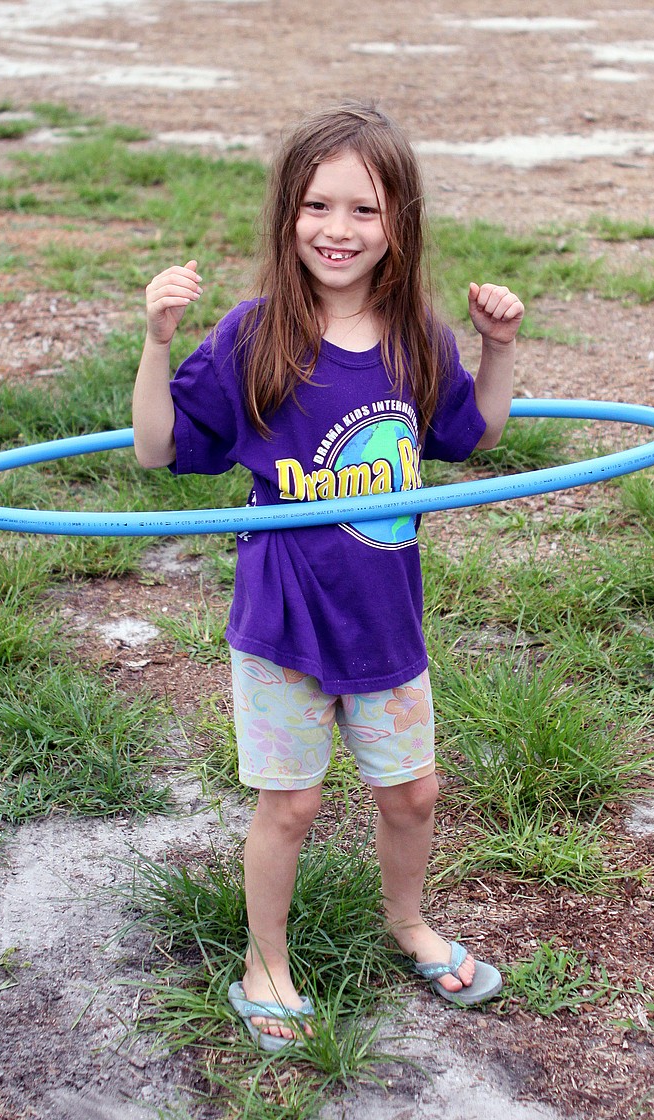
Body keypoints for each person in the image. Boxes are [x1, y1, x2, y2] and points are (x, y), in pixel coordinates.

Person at [133, 101, 524, 1051]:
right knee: (293, 803)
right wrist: (156, 336)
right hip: (285, 620)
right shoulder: (252, 333)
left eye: (364, 210)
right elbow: (156, 450)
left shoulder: (416, 336)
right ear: (287, 214)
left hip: (385, 617)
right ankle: (264, 958)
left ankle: (408, 923)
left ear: (400, 225)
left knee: (414, 793)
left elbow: (474, 435)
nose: (338, 231)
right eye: (318, 207)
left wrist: (498, 347)